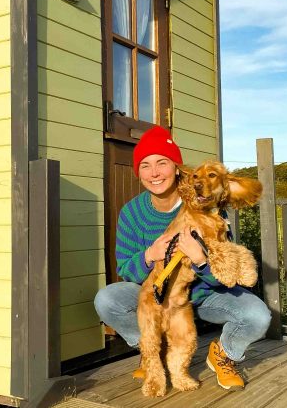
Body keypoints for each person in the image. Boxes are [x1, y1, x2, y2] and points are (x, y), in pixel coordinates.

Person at [93, 126, 271, 390]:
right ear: (138, 173)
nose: (154, 173)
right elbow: (127, 271)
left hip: (203, 294)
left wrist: (200, 259)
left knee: (258, 316)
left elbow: (226, 276)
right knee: (107, 299)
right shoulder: (131, 213)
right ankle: (151, 350)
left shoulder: (205, 207)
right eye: (145, 165)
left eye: (162, 163)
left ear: (177, 168)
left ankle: (223, 354)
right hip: (158, 290)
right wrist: (149, 256)